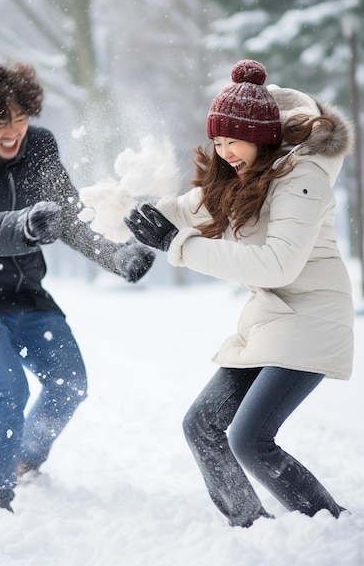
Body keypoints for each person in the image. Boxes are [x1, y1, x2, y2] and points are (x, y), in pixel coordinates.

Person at [125, 59, 354, 527]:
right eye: (218, 141)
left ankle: (331, 525)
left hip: (312, 318)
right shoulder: (237, 175)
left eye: (233, 140)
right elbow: (182, 210)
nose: (225, 151)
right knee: (201, 425)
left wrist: (177, 246)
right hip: (272, 319)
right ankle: (250, 526)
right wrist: (126, 220)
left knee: (250, 438)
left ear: (261, 135)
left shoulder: (302, 178)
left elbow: (277, 264)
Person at [0, 61, 155, 513]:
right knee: (8, 388)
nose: (13, 132)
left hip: (26, 290)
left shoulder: (39, 148)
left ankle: (23, 459)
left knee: (70, 385)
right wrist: (24, 225)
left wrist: (116, 255)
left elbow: (69, 216)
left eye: (20, 118)